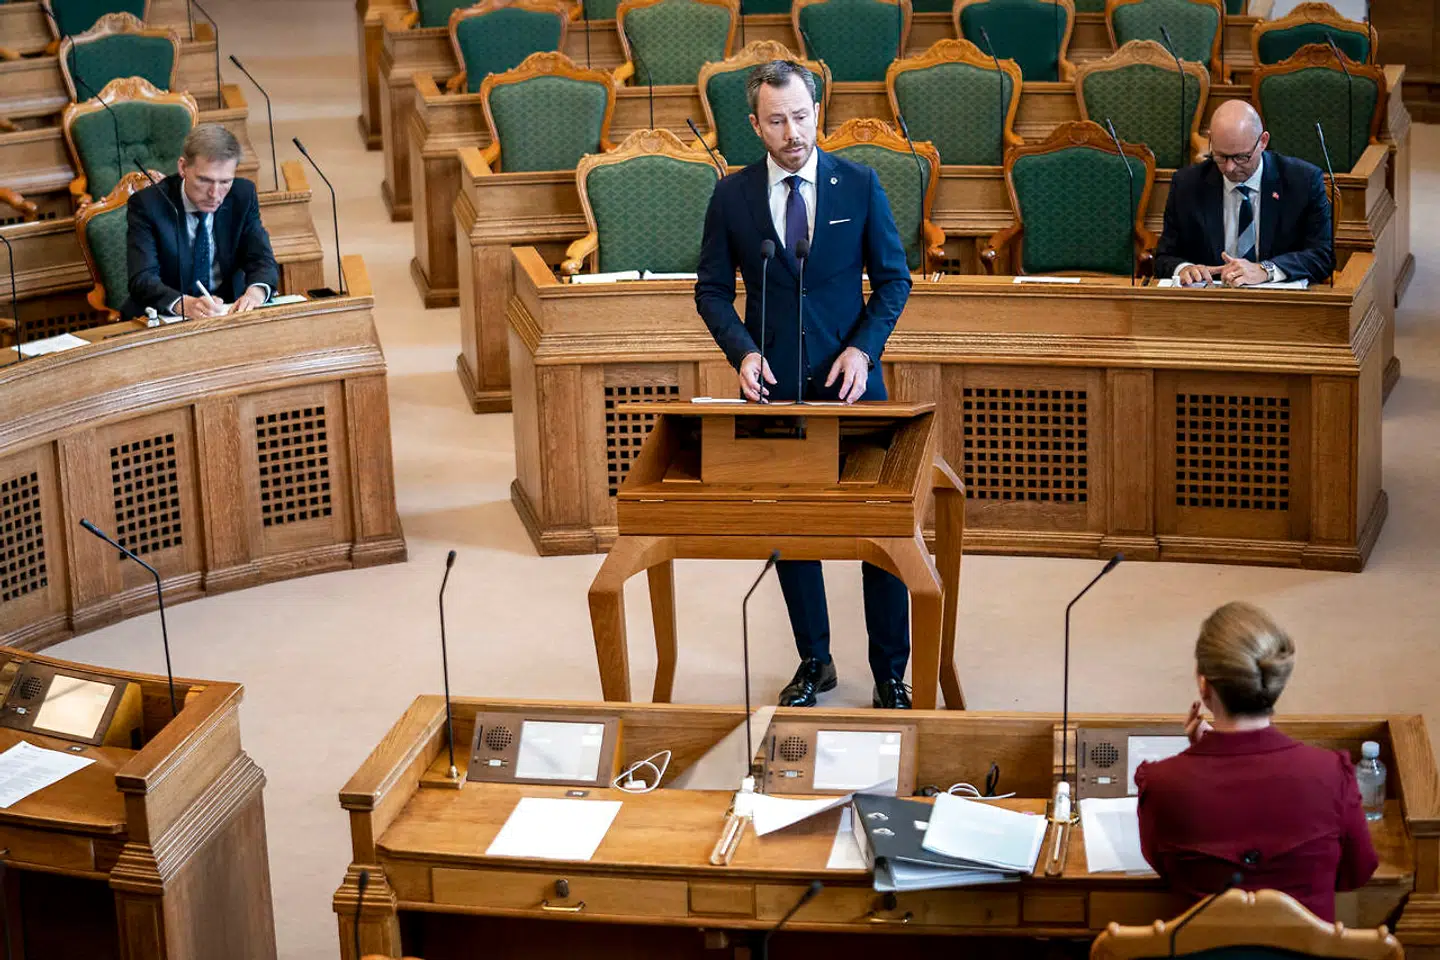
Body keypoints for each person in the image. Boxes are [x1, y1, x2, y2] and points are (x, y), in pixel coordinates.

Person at [694, 60, 914, 709]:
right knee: (790, 530)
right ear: (755, 124)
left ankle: (890, 671)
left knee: (879, 532)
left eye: (802, 115)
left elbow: (895, 280)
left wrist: (864, 351)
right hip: (774, 391)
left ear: (817, 109)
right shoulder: (731, 197)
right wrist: (741, 352)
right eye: (778, 120)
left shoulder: (860, 184)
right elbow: (710, 291)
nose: (793, 132)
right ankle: (814, 660)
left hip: (853, 392)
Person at [1136, 602, 1378, 921]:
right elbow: (1356, 873)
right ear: (1275, 682)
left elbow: (1168, 871)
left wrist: (1200, 758)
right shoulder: (1331, 774)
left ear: (1204, 685)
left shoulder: (1163, 783)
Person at [1153, 100, 1334, 287]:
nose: (1230, 168)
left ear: (1263, 142)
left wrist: (1266, 270)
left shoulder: (1302, 182)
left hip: (1278, 305)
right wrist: (1184, 268)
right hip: (1210, 303)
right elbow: (1164, 257)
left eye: (1241, 157)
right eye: (1221, 156)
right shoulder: (1187, 184)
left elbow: (1322, 256)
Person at [124, 124, 279, 320]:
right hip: (168, 318)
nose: (215, 194)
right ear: (183, 167)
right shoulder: (148, 205)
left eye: (224, 182)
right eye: (204, 180)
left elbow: (262, 260)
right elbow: (142, 279)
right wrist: (184, 304)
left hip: (228, 313)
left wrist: (255, 294)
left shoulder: (242, 195)